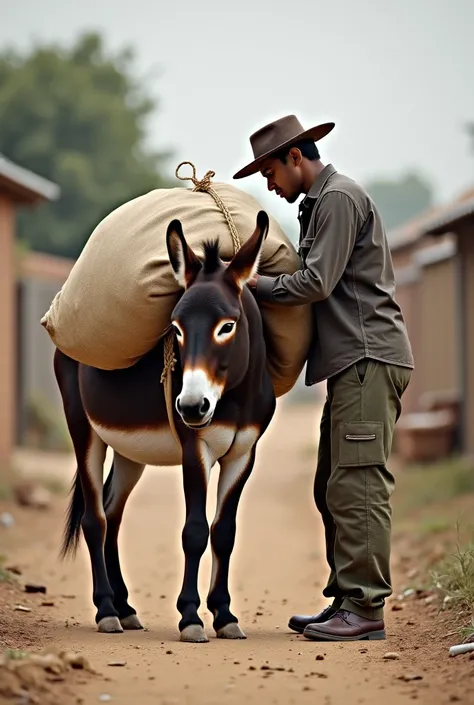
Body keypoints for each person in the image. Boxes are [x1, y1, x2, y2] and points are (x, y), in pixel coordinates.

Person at [233, 114, 414, 642]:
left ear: (295, 157)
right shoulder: (320, 203)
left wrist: (245, 286)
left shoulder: (337, 199)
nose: (269, 185)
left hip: (367, 359)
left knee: (357, 484)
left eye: (269, 173)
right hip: (353, 364)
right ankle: (345, 598)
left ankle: (364, 610)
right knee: (332, 484)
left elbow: (314, 282)